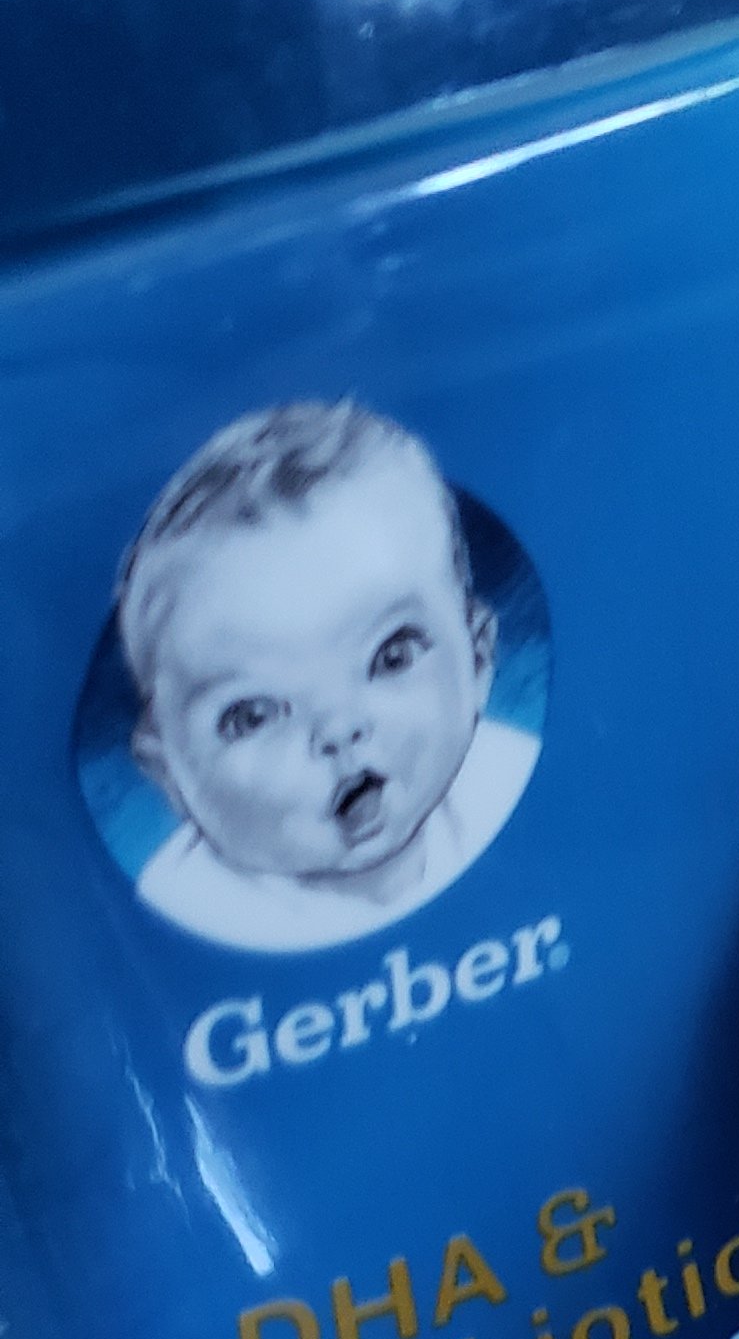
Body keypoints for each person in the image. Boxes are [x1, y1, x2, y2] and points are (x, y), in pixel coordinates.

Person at [117, 402, 536, 952]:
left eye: (391, 658)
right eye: (253, 714)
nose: (339, 729)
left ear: (479, 659)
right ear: (167, 771)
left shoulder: (501, 778)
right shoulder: (183, 911)